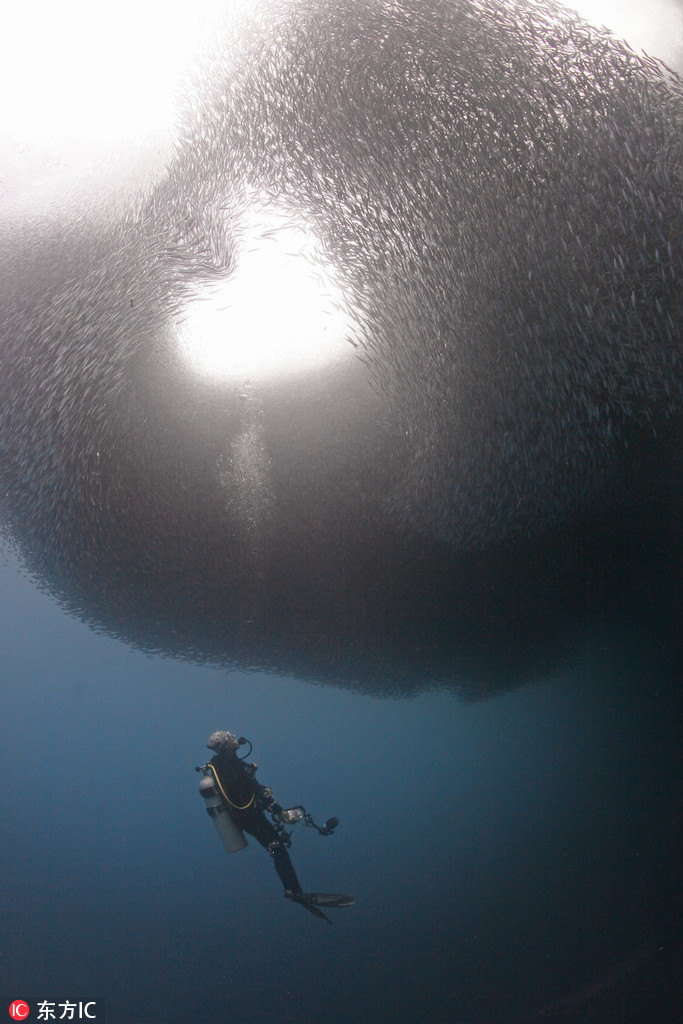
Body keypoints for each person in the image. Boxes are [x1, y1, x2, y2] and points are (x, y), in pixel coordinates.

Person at [205, 730, 323, 918]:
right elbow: (256, 789)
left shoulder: (221, 766)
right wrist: (279, 811)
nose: (235, 738)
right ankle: (293, 891)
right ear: (226, 744)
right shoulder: (232, 766)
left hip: (246, 817)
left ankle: (293, 891)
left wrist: (274, 807)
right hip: (251, 817)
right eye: (230, 737)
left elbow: (250, 789)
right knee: (278, 850)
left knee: (277, 849)